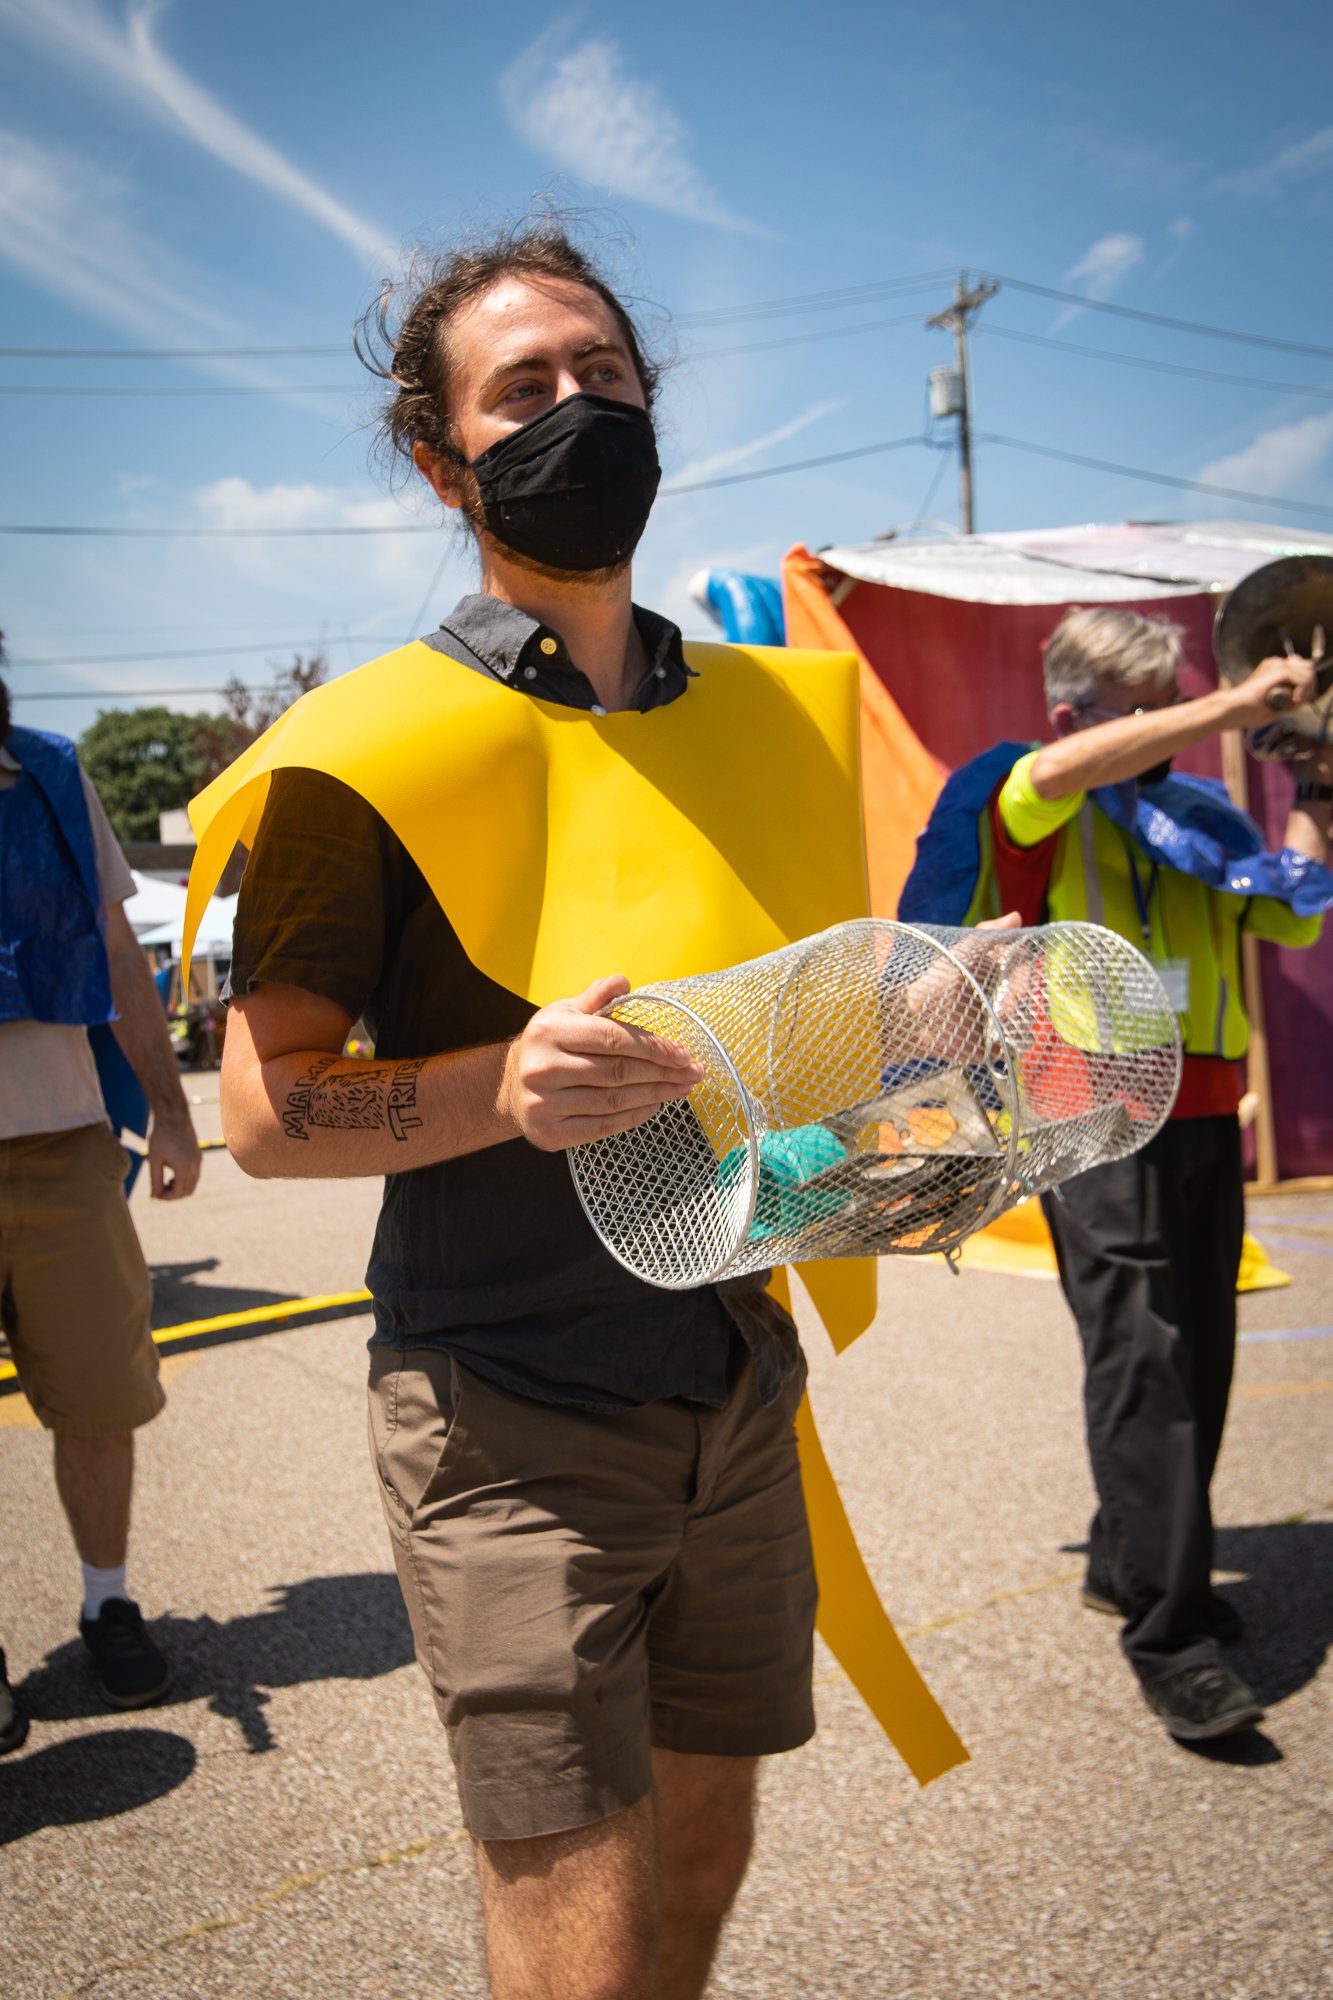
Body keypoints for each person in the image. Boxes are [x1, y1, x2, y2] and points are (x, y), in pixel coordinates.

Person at [210, 224, 884, 2000]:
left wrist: (906, 1099)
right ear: (445, 460)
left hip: (735, 1379)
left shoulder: (771, 723)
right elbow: (267, 1113)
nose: (577, 407)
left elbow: (800, 1060)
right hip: (505, 1414)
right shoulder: (370, 754)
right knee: (576, 1933)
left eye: (604, 373)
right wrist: (498, 1089)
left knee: (707, 1857)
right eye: (524, 388)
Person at [903, 605, 1331, 1744]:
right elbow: (1056, 772)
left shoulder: (1199, 810)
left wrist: (1314, 792)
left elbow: (1291, 920)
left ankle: (1122, 1558)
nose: (1170, 734)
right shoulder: (1033, 789)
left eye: (1174, 706)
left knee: (1201, 1347)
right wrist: (1239, 703)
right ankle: (1169, 1633)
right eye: (1140, 713)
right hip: (1087, 1109)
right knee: (1144, 1356)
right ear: (1071, 715)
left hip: (1200, 1113)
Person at [0, 674, 201, 1744]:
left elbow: (120, 954)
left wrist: (170, 1111)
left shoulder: (47, 770)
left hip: (65, 1138)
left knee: (98, 1399)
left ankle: (105, 1598)